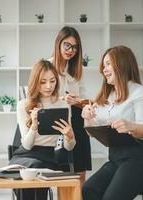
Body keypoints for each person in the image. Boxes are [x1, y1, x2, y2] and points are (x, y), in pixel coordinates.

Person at [81, 46, 143, 200]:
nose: (104, 69)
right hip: (116, 160)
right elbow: (92, 130)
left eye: (108, 64)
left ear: (122, 64)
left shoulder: (140, 92)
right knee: (88, 189)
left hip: (139, 160)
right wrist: (87, 117)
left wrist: (131, 126)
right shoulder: (106, 96)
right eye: (104, 65)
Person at [9, 59, 76, 200]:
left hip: (48, 157)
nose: (48, 86)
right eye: (43, 82)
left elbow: (69, 147)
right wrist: (34, 126)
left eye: (52, 81)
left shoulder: (63, 104)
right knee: (33, 168)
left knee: (36, 169)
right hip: (24, 156)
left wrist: (70, 136)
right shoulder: (23, 105)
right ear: (35, 82)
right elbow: (27, 145)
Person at [49, 26, 91, 183]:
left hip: (77, 120)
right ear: (59, 43)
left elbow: (86, 101)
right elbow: (38, 98)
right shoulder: (47, 65)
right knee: (62, 174)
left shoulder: (77, 69)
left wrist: (78, 101)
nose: (71, 50)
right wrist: (62, 99)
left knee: (79, 172)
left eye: (74, 47)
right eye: (67, 45)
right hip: (56, 119)